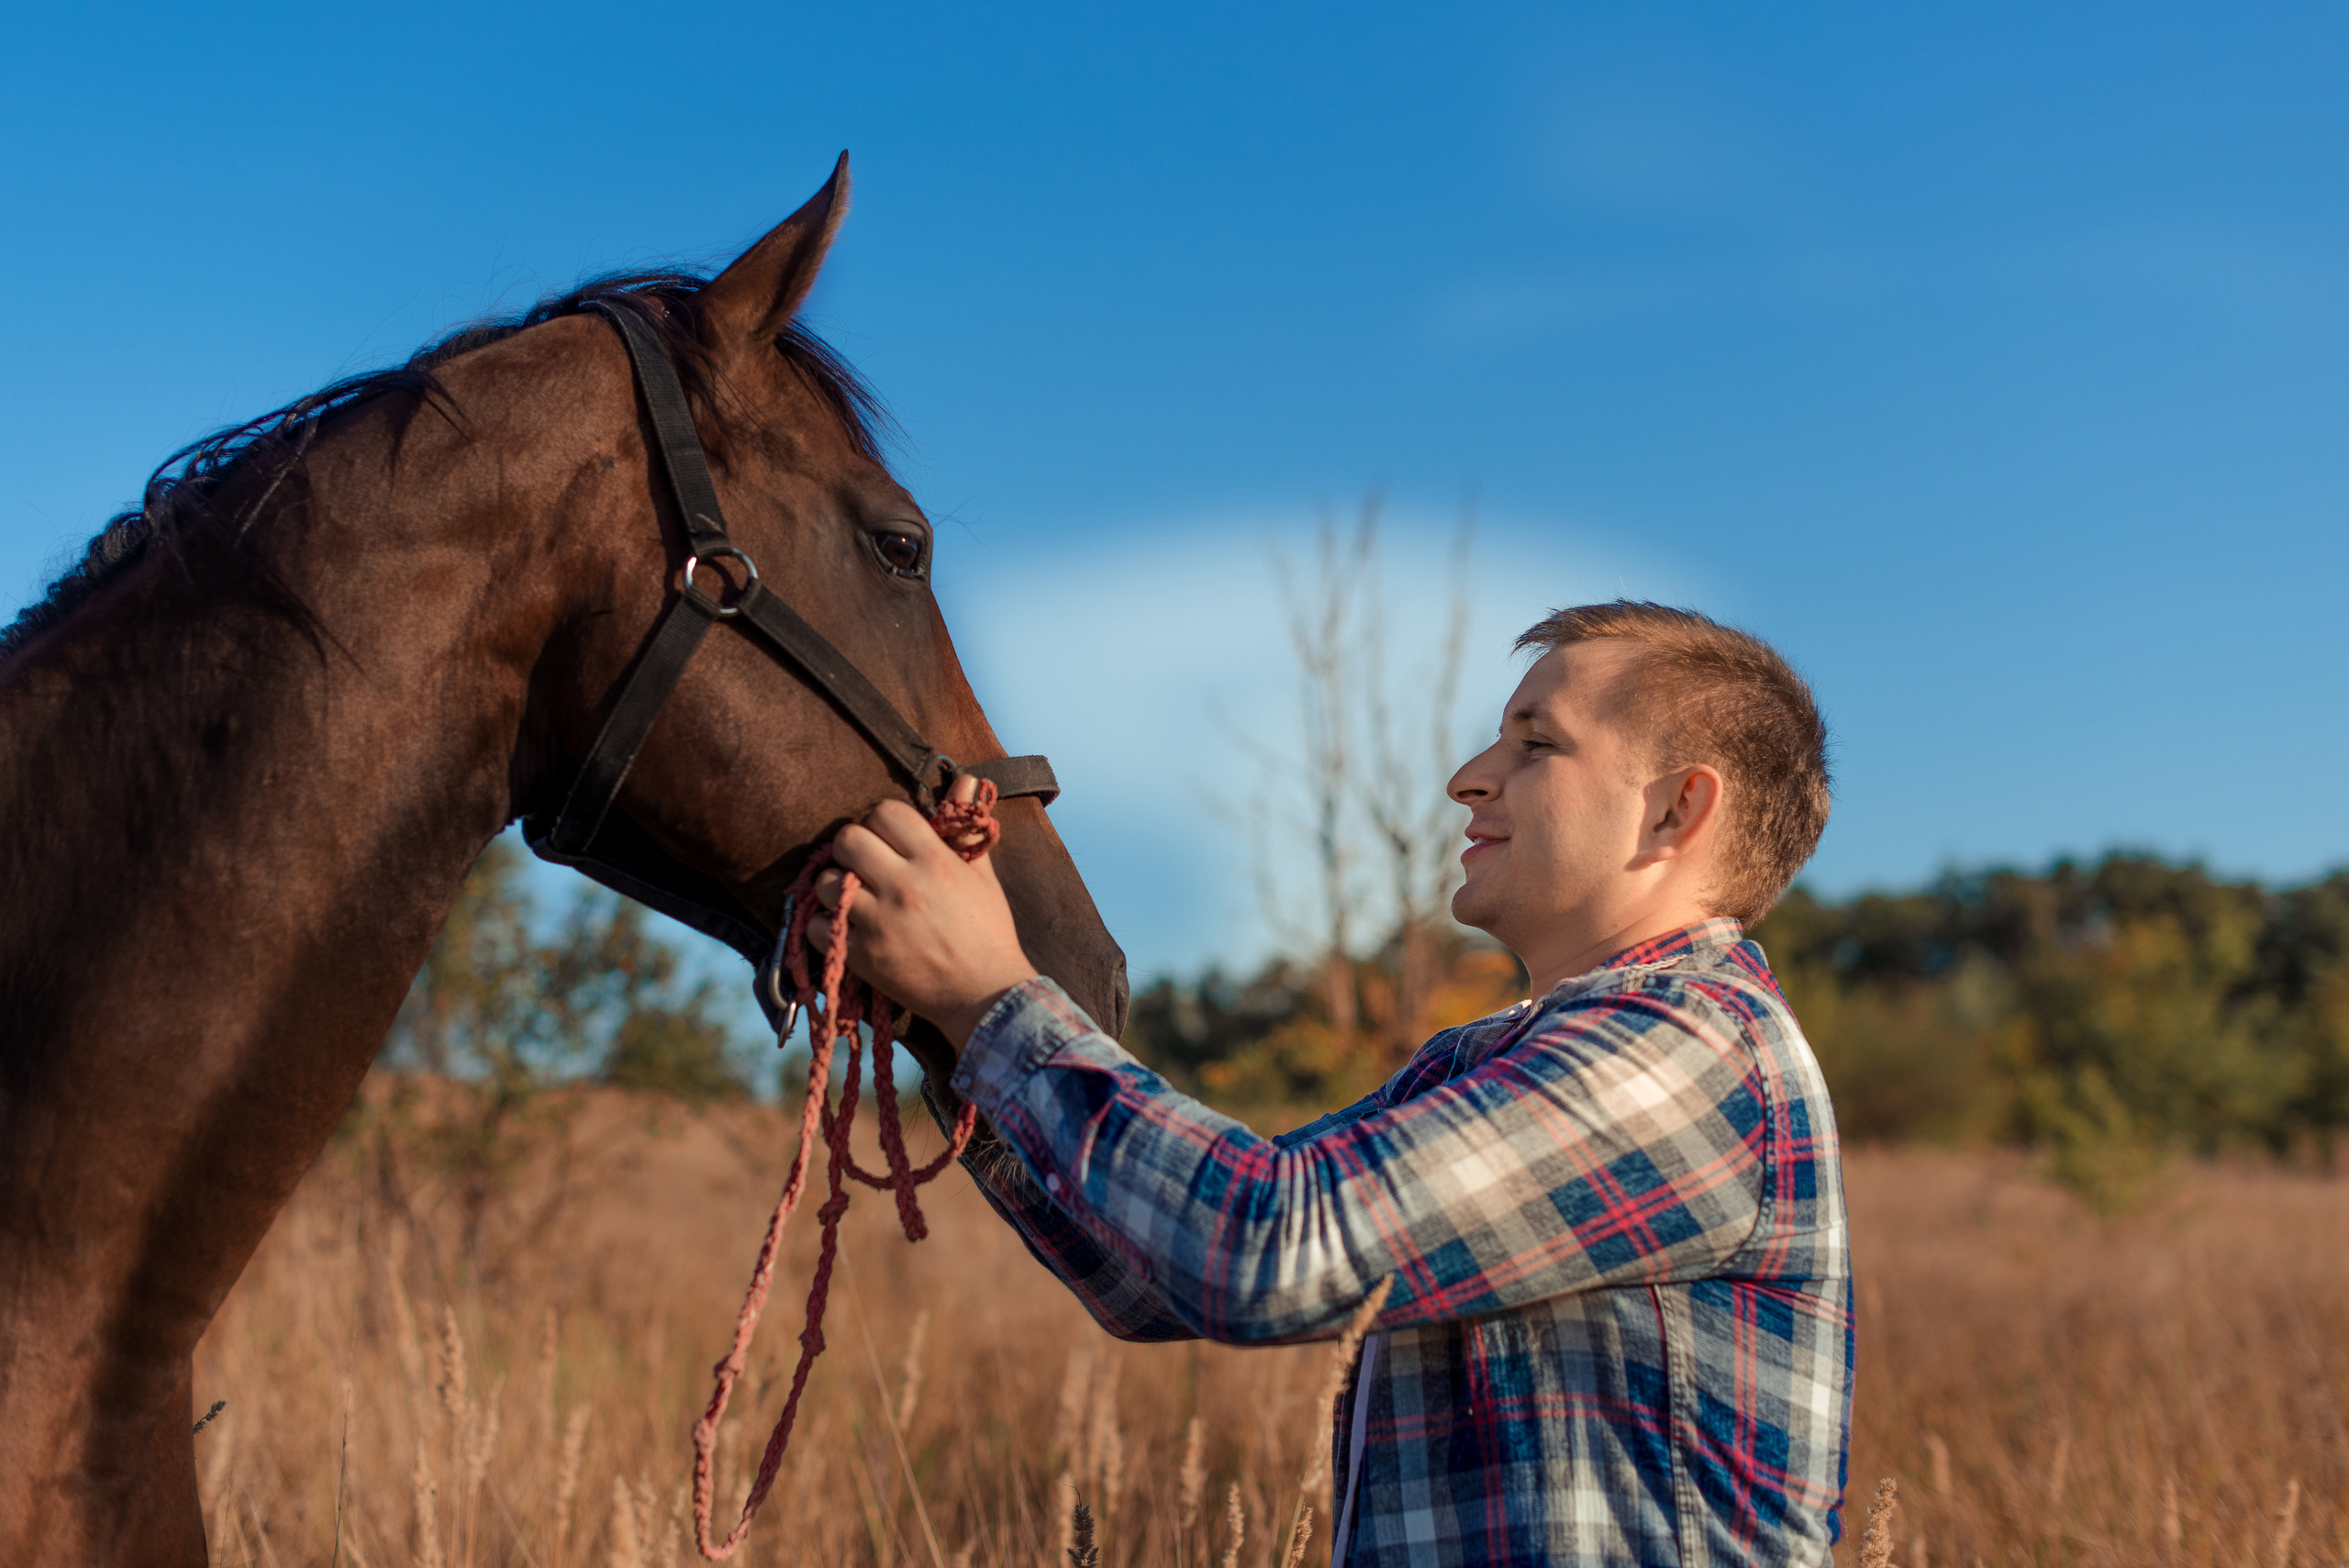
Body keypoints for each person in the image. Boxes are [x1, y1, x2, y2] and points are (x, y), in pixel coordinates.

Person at [809, 600, 1851, 1567]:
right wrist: (952, 1025)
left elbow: (1268, 1244)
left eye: (1536, 741)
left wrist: (994, 997)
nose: (1470, 775)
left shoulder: (1698, 1048)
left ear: (1676, 808)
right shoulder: (1485, 1060)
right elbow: (1146, 1277)